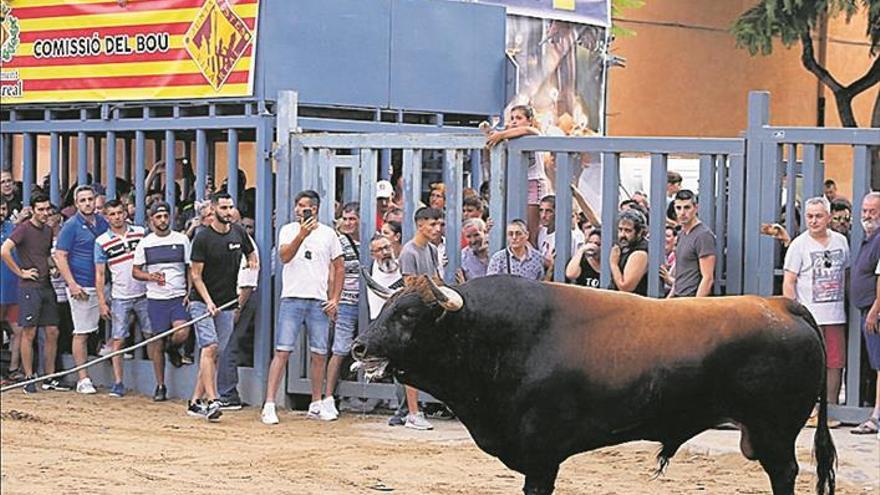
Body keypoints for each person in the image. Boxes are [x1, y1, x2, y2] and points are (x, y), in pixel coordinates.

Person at [262, 190, 343, 425]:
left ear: (315, 209)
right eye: (298, 205)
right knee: (283, 351)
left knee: (319, 353)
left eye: (304, 206)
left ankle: (316, 403)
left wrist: (335, 298)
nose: (299, 210)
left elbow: (339, 267)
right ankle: (269, 403)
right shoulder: (288, 230)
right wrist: (301, 234)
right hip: (292, 298)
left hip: (318, 301)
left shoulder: (328, 234)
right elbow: (284, 257)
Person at [188, 192, 256, 421]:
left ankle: (195, 402)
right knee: (210, 347)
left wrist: (252, 261)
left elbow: (250, 250)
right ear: (214, 209)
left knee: (215, 353)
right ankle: (213, 399)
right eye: (224, 208)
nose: (228, 212)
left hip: (227, 302)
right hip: (202, 302)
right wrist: (208, 302)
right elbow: (196, 275)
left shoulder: (238, 232)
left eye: (230, 207)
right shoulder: (203, 238)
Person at [782, 197, 849, 423]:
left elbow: (847, 274)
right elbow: (789, 281)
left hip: (835, 314)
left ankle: (831, 408)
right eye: (809, 216)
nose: (813, 220)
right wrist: (794, 312)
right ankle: (808, 409)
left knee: (835, 362)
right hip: (809, 316)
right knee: (809, 364)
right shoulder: (798, 245)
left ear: (829, 217)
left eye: (819, 216)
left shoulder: (841, 242)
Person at [1, 193, 66, 393]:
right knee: (29, 332)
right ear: (32, 210)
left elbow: (45, 254)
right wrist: (21, 272)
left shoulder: (47, 230)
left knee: (52, 331)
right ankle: (29, 377)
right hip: (29, 287)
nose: (45, 213)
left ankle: (49, 376)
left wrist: (53, 267)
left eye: (48, 209)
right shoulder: (23, 229)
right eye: (41, 209)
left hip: (46, 285)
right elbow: (4, 250)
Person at [388, 206, 444, 430]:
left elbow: (436, 279)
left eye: (438, 224)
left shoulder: (430, 249)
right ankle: (412, 412)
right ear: (420, 225)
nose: (437, 228)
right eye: (432, 224)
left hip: (427, 311)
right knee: (412, 363)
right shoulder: (409, 252)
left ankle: (407, 411)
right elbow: (412, 286)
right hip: (414, 314)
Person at [132, 201, 192, 402]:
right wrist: (150, 277)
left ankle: (173, 347)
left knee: (182, 332)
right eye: (158, 217)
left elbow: (190, 268)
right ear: (151, 220)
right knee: (157, 340)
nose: (163, 220)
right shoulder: (145, 243)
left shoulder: (182, 239)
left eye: (165, 216)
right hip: (156, 299)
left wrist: (189, 292)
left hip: (177, 296)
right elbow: (136, 271)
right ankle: (160, 385)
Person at [54, 185, 109, 394]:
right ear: (76, 204)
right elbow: (60, 256)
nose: (87, 203)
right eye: (82, 200)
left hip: (104, 284)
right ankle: (83, 378)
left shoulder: (103, 222)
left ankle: (105, 346)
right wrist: (72, 284)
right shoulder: (70, 226)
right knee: (82, 332)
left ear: (95, 201)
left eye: (90, 199)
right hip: (82, 285)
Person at [94, 200, 150, 398]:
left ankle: (158, 382)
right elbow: (100, 275)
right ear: (106, 217)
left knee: (152, 336)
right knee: (118, 339)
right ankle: (118, 383)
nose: (117, 217)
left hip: (144, 292)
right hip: (120, 296)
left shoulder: (140, 232)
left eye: (120, 212)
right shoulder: (101, 241)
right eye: (112, 214)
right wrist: (102, 302)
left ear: (125, 213)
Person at [216, 207, 259, 410]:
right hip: (223, 298)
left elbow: (248, 283)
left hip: (240, 299)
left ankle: (228, 393)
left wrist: (238, 308)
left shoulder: (245, 245)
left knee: (228, 345)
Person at [486, 105, 544, 244]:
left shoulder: (533, 132)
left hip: (533, 182)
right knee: (512, 224)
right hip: (515, 184)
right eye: (512, 118)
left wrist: (501, 134)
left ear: (529, 120)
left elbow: (527, 130)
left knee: (530, 229)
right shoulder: (511, 139)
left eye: (519, 118)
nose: (514, 121)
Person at [325, 202, 362, 416]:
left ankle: (363, 395)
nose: (348, 223)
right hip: (346, 302)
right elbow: (332, 272)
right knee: (340, 349)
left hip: (367, 302)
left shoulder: (372, 239)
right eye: (345, 218)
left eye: (352, 219)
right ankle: (329, 396)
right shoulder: (338, 242)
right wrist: (333, 300)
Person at [850, 192, 880, 435]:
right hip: (867, 310)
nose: (867, 215)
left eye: (873, 211)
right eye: (865, 210)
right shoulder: (869, 237)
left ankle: (876, 417)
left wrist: (875, 310)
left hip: (875, 313)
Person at [669, 190, 716, 297]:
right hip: (678, 298)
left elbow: (708, 278)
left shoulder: (703, 235)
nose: (682, 213)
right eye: (678, 208)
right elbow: (680, 274)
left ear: (696, 208)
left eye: (687, 207)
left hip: (691, 299)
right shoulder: (681, 234)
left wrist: (695, 306)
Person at [536, 195, 585, 280]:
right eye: (541, 210)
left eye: (549, 211)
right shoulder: (541, 232)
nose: (543, 215)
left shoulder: (568, 236)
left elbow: (561, 265)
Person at [1, 198, 22, 381]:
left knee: (19, 330)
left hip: (13, 288)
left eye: (3, 208)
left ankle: (13, 369)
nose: (1, 212)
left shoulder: (13, 228)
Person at [609, 210, 649, 296]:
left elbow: (626, 287)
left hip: (633, 305)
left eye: (628, 231)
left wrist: (613, 264)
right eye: (620, 229)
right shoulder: (626, 246)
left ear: (639, 232)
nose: (622, 235)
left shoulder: (640, 253)